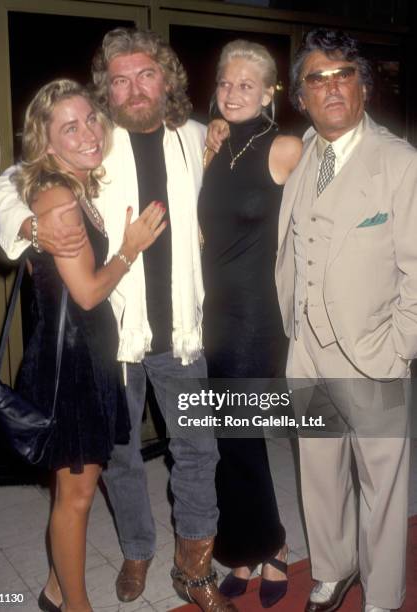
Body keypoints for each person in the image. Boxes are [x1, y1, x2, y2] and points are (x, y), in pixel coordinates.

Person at [0, 29, 236, 612]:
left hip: (181, 336)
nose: (134, 88)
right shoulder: (96, 141)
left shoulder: (196, 138)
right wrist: (29, 226)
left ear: (167, 77)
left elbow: (250, 150)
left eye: (145, 74)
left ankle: (193, 569)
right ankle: (138, 549)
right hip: (114, 338)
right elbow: (3, 186)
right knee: (118, 456)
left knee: (198, 448)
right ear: (107, 91)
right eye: (119, 79)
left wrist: (228, 124)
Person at [10, 79, 166, 612]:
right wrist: (130, 249)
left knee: (69, 492)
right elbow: (88, 290)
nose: (87, 132)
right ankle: (76, 606)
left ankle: (56, 590)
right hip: (74, 363)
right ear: (47, 142)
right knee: (76, 500)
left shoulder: (74, 187)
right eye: (68, 126)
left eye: (90, 119)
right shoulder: (58, 198)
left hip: (85, 356)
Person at [276, 28, 415, 612]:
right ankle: (333, 570)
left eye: (344, 75)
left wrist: (401, 345)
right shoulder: (303, 151)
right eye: (317, 78)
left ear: (363, 87)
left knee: (382, 485)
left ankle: (382, 596)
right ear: (301, 96)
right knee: (319, 470)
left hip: (374, 349)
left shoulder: (400, 162)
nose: (331, 88)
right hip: (306, 346)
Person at [199, 40, 301, 608]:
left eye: (246, 84)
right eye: (224, 82)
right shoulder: (212, 146)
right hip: (210, 312)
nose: (233, 92)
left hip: (257, 315)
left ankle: (272, 545)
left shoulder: (286, 147)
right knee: (223, 437)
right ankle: (241, 546)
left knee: (241, 434)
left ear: (268, 92)